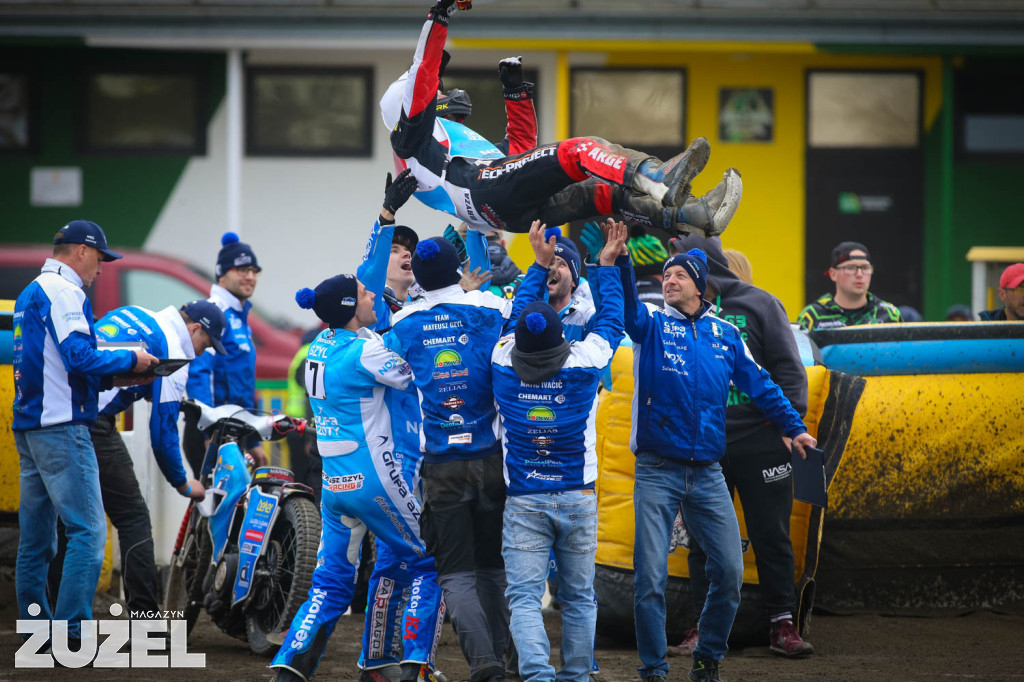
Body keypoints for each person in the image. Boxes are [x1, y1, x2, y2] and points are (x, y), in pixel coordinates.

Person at [621, 241, 817, 682]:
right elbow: (626, 304)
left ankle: (708, 658)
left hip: (707, 471)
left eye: (678, 276)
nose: (668, 281)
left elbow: (764, 385)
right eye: (665, 276)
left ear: (700, 285)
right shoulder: (649, 325)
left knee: (728, 573)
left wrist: (793, 426)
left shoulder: (725, 334)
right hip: (657, 470)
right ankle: (653, 669)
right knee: (649, 580)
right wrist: (618, 260)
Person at [380, 0, 742, 238]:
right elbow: (423, 70)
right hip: (488, 194)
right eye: (438, 93)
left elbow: (520, 150)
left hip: (507, 211)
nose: (445, 94)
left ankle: (694, 217)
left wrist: (516, 95)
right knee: (580, 150)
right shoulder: (409, 139)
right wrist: (440, 15)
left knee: (608, 195)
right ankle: (656, 176)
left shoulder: (450, 145)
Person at [384, 225, 551, 682]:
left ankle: (485, 666)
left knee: (455, 576)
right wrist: (537, 265)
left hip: (440, 467)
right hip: (493, 461)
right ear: (458, 269)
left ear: (417, 275)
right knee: (494, 569)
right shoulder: (491, 308)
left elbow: (389, 367)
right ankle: (506, 661)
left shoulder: (402, 325)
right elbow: (526, 314)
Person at [269, 274, 444, 682]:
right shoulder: (364, 351)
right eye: (366, 294)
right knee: (429, 559)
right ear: (350, 308)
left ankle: (290, 667)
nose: (374, 298)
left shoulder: (320, 346)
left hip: (335, 487)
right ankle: (417, 665)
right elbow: (414, 376)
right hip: (376, 480)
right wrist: (411, 318)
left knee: (330, 583)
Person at [491, 220, 629, 682]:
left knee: (525, 598)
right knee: (579, 597)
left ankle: (537, 677)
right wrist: (606, 265)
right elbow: (611, 320)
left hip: (524, 500)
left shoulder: (501, 361)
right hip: (578, 496)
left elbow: (515, 319)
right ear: (562, 336)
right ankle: (575, 677)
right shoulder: (585, 360)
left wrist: (536, 265)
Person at [13, 220, 157, 643]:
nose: (101, 269)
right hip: (61, 429)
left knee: (37, 541)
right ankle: (72, 635)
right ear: (80, 251)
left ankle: (36, 630)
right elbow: (77, 356)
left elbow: (57, 366)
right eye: (100, 258)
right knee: (89, 533)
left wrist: (114, 379)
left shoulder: (30, 292)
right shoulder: (65, 291)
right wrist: (131, 361)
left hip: (31, 428)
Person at [90, 300, 224, 618]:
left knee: (63, 524)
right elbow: (163, 434)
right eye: (206, 343)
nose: (203, 352)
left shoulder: (137, 313)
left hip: (53, 410)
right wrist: (182, 483)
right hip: (90, 420)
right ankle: (146, 621)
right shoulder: (172, 349)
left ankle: (45, 621)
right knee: (134, 517)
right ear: (194, 329)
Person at [186, 231, 268, 468]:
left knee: (233, 503)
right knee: (213, 502)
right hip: (211, 431)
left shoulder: (240, 315)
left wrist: (254, 439)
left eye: (254, 271)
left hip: (234, 429)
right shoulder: (215, 311)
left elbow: (245, 382)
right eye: (242, 270)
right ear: (222, 274)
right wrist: (207, 433)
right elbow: (199, 374)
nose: (250, 277)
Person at [797, 241, 902, 330]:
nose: (859, 274)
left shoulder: (889, 314)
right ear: (833, 274)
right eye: (850, 268)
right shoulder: (812, 316)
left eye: (865, 268)